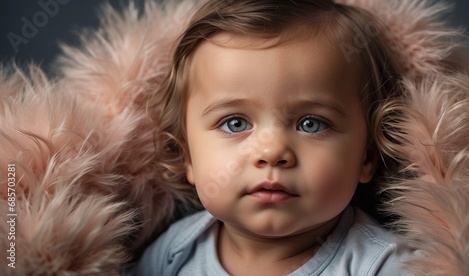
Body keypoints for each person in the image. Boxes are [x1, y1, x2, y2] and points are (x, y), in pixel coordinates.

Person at [134, 0, 410, 275]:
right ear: (188, 158)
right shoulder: (172, 253)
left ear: (367, 156)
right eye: (235, 123)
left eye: (311, 124)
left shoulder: (385, 266)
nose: (272, 151)